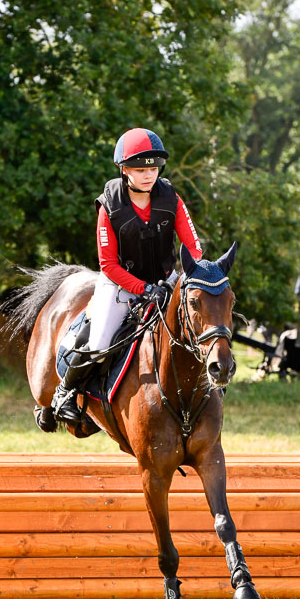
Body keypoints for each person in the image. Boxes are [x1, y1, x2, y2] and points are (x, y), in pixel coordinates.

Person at [52, 128, 203, 423]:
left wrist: (185, 277)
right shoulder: (109, 205)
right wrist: (144, 289)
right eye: (140, 169)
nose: (148, 175)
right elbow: (108, 265)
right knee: (99, 343)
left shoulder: (171, 198)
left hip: (166, 282)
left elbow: (193, 247)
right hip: (120, 284)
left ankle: (211, 386)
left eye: (153, 169)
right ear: (124, 170)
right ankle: (65, 392)